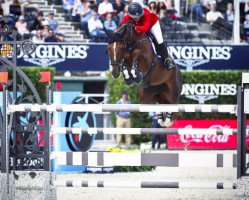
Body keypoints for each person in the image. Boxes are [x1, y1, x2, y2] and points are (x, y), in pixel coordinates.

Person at [121, 2, 175, 70]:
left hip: (152, 24)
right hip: (138, 26)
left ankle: (167, 59)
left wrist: (134, 27)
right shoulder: (127, 17)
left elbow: (145, 28)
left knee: (159, 40)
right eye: (134, 17)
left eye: (138, 16)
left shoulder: (147, 14)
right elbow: (122, 27)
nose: (137, 18)